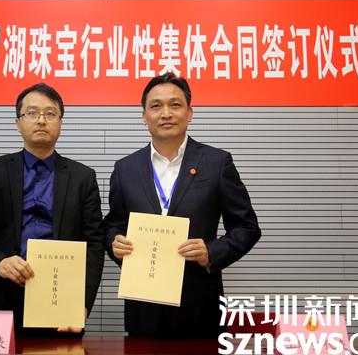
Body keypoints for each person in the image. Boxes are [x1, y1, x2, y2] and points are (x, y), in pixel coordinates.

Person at [105, 72, 261, 338]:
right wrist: (114, 243)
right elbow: (114, 224)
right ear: (144, 116)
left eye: (175, 105)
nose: (166, 113)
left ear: (189, 113)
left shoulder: (217, 163)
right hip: (143, 308)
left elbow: (247, 227)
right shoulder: (125, 168)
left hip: (200, 306)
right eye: (156, 106)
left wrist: (211, 252)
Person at [0, 83, 105, 337]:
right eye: (32, 113)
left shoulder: (82, 177)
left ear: (60, 122)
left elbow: (95, 244)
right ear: (18, 122)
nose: (41, 120)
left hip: (59, 301)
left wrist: (82, 304)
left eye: (50, 113)